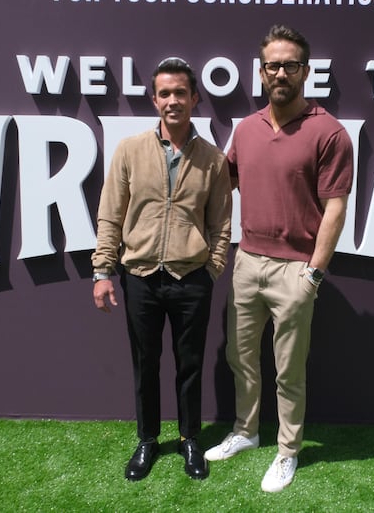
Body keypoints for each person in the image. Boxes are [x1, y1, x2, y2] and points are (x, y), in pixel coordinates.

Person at [204, 25, 353, 492]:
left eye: (290, 65)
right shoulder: (246, 129)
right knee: (240, 356)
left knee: (288, 370)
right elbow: (220, 183)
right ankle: (246, 431)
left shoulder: (328, 132)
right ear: (261, 71)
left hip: (295, 270)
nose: (281, 73)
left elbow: (335, 208)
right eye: (273, 65)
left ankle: (288, 451)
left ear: (306, 71)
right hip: (248, 262)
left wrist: (313, 274)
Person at [91, 57, 232, 481]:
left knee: (190, 365)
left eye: (180, 93)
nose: (173, 100)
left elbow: (221, 225)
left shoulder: (213, 160)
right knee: (145, 363)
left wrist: (212, 270)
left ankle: (190, 439)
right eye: (165, 93)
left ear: (195, 98)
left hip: (192, 280)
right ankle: (148, 439)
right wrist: (102, 271)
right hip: (140, 278)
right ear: (154, 99)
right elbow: (110, 214)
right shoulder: (129, 150)